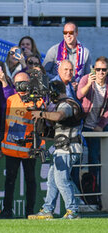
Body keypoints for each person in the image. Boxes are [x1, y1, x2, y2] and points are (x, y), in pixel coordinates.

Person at [29, 80, 82, 219]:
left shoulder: (67, 104)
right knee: (52, 181)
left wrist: (41, 114)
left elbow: (59, 116)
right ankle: (47, 210)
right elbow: (57, 132)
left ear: (54, 92)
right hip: (61, 148)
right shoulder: (64, 103)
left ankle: (73, 211)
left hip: (68, 149)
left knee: (61, 181)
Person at [0, 72, 44, 219]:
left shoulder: (37, 101)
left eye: (23, 82)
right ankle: (7, 211)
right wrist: (0, 145)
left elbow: (42, 126)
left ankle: (29, 212)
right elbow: (3, 123)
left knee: (31, 180)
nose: (21, 86)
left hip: (29, 148)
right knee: (10, 180)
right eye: (18, 83)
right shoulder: (10, 99)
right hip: (12, 148)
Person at [77, 56, 108, 192]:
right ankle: (81, 189)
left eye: (104, 69)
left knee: (94, 158)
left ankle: (94, 191)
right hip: (82, 123)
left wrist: (101, 124)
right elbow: (79, 95)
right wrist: (89, 84)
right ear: (94, 69)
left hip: (96, 126)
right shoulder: (86, 79)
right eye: (98, 69)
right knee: (77, 157)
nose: (100, 72)